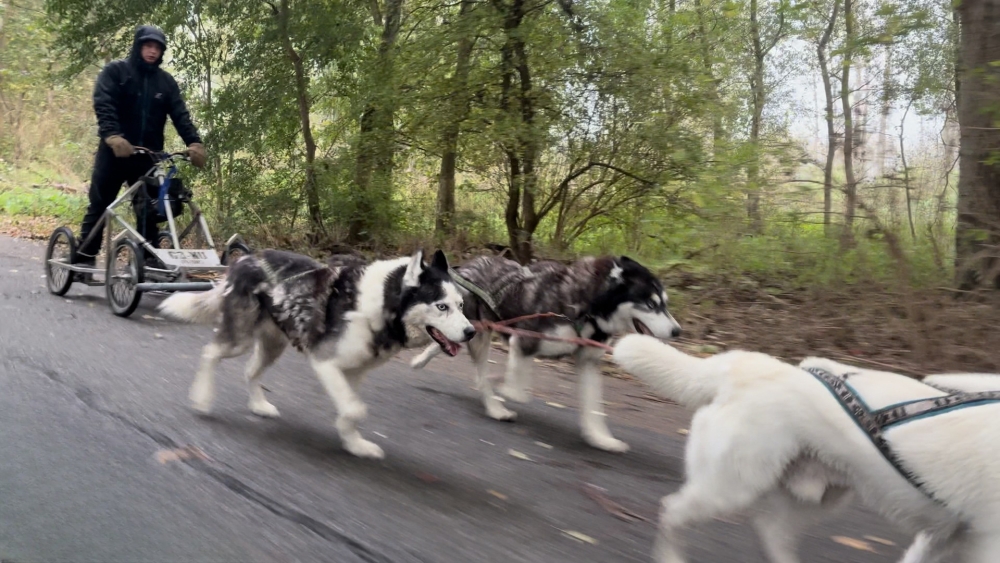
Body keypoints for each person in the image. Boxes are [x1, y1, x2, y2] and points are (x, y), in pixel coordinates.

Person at [74, 25, 206, 269]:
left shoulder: (165, 83)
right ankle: (84, 257)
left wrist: (194, 143)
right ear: (138, 46)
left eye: (157, 48)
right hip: (114, 154)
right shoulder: (116, 72)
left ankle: (147, 261)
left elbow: (180, 114)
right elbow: (104, 103)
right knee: (101, 204)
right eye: (148, 46)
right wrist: (112, 136)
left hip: (147, 156)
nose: (152, 51)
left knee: (150, 210)